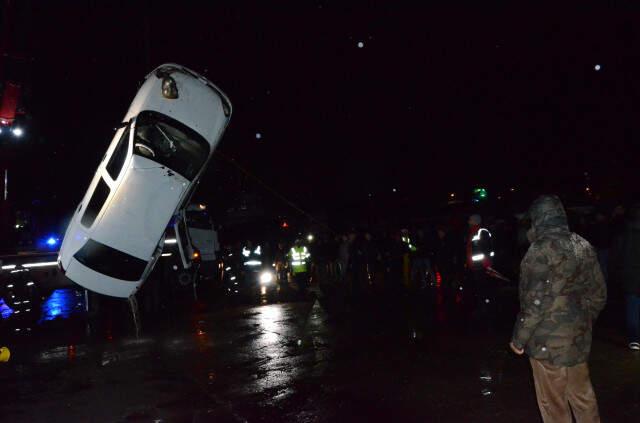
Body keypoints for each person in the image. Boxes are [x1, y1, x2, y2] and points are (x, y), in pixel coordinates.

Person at [510, 195, 606, 423]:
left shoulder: (538, 251)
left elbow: (535, 302)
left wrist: (518, 339)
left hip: (546, 345)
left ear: (538, 219)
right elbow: (599, 294)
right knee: (583, 397)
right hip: (578, 341)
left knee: (553, 404)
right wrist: (581, 321)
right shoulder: (582, 244)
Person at [617, 203, 640, 351]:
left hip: (631, 275)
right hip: (631, 274)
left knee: (632, 308)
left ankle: (634, 338)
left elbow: (618, 256)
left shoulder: (623, 234)